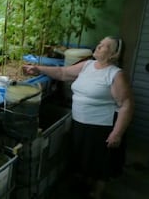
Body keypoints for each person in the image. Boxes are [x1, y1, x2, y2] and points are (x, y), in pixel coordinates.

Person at [23, 36, 134, 199]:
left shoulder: (115, 75)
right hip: (79, 122)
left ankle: (96, 193)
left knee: (100, 163)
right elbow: (62, 72)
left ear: (113, 55)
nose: (98, 46)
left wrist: (117, 133)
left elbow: (126, 105)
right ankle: (82, 185)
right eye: (100, 43)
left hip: (101, 127)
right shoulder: (87, 65)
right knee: (82, 158)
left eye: (104, 46)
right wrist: (38, 69)